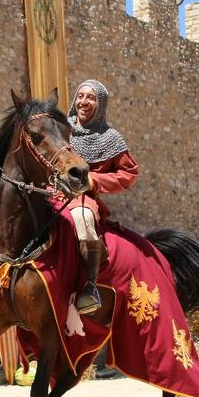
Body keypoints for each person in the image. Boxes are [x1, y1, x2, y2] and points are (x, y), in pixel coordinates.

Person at [61, 79, 140, 314]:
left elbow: (129, 173)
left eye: (91, 98)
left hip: (83, 197)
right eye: (80, 96)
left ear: (100, 104)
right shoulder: (61, 128)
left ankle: (89, 287)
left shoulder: (111, 138)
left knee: (83, 218)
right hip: (52, 190)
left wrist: (95, 181)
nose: (84, 102)